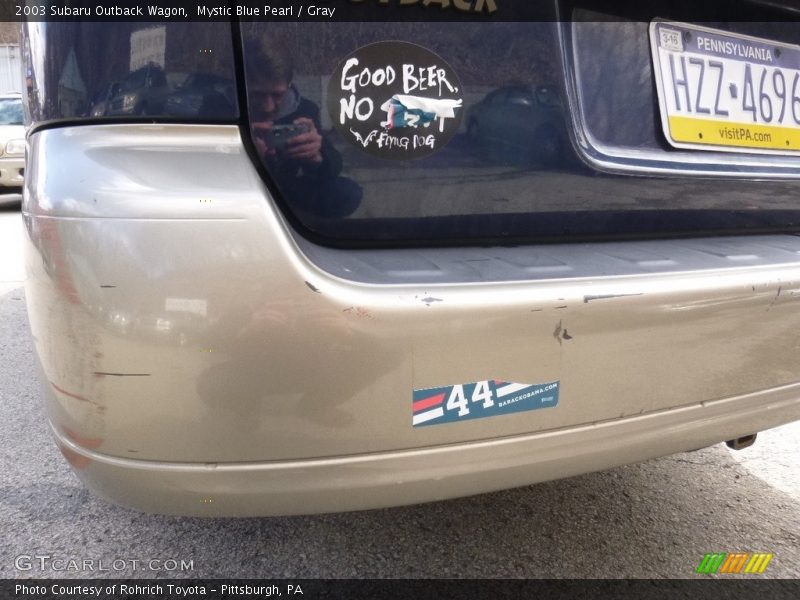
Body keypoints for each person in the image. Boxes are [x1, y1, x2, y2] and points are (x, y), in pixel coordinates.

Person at [245, 38, 361, 219]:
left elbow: (333, 165)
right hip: (243, 190)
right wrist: (245, 156)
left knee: (347, 191)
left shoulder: (305, 110)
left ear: (289, 85)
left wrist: (317, 157)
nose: (268, 106)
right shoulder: (219, 108)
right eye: (256, 95)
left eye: (277, 95)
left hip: (287, 191)